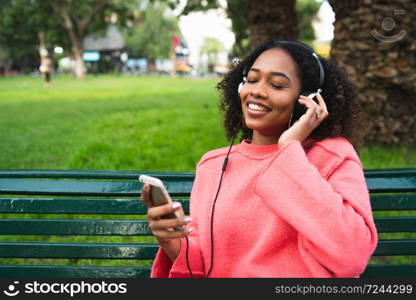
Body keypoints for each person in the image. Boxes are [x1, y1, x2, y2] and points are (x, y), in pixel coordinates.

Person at [141, 40, 378, 278]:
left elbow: (351, 255)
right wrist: (172, 240)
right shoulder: (213, 166)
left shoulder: (332, 156)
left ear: (307, 99)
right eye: (252, 80)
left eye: (277, 85)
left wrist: (288, 152)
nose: (256, 91)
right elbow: (206, 265)